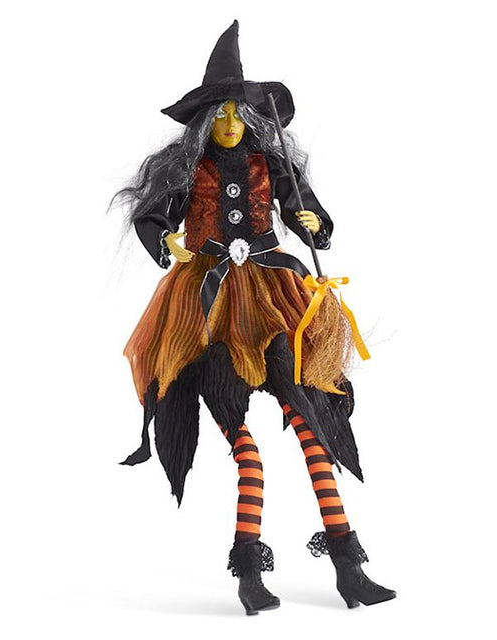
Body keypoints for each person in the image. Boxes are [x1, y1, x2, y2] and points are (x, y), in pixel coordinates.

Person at [113, 20, 395, 615]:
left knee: (311, 428)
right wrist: (168, 241)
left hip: (272, 296)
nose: (228, 123)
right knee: (247, 450)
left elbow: (301, 206)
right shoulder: (188, 165)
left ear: (251, 117)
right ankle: (249, 574)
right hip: (208, 306)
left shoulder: (271, 161)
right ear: (204, 121)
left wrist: (312, 222)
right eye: (218, 115)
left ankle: (349, 568)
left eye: (237, 113)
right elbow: (154, 216)